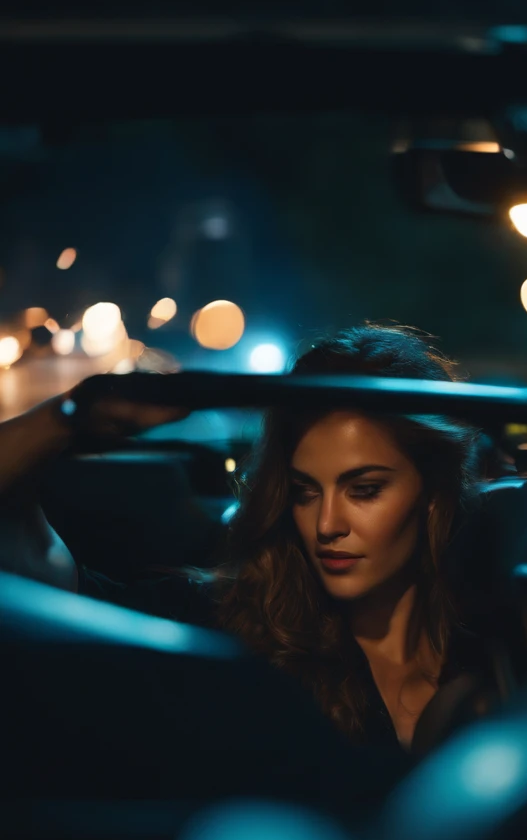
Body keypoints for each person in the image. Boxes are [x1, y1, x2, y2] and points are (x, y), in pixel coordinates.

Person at [0, 322, 492, 751]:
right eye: (304, 492)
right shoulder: (220, 630)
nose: (327, 525)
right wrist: (66, 416)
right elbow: (32, 580)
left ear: (433, 493)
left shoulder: (504, 640)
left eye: (364, 490)